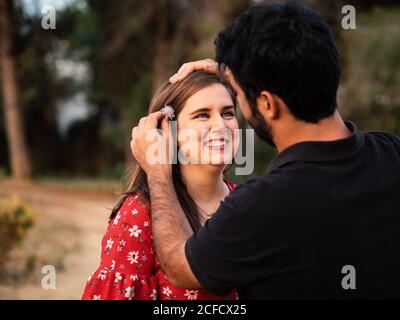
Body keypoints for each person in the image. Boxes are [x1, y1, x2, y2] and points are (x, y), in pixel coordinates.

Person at [130, 1, 400, 299]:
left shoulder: (258, 207)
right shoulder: (391, 153)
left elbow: (178, 265)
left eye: (235, 105)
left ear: (268, 104)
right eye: (203, 114)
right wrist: (234, 72)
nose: (222, 123)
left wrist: (157, 169)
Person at [82, 71, 239, 300]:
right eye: (202, 115)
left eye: (228, 113)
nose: (221, 125)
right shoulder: (140, 212)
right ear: (168, 131)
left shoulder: (249, 201)